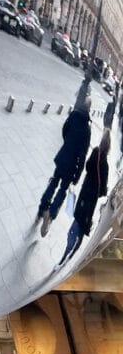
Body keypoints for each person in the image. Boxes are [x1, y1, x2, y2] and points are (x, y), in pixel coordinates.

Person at [36, 96, 92, 237]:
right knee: (62, 189)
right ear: (89, 109)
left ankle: (42, 207)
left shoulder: (73, 115)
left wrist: (67, 143)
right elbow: (83, 154)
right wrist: (78, 175)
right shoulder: (86, 129)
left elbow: (64, 129)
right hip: (72, 164)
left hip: (63, 156)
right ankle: (51, 213)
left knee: (54, 181)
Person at [57, 130, 110, 266]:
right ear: (109, 147)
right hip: (91, 199)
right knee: (83, 224)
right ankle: (74, 249)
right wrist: (102, 190)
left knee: (77, 220)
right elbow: (103, 190)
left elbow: (87, 167)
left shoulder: (95, 152)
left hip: (84, 193)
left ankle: (65, 253)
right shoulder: (106, 165)